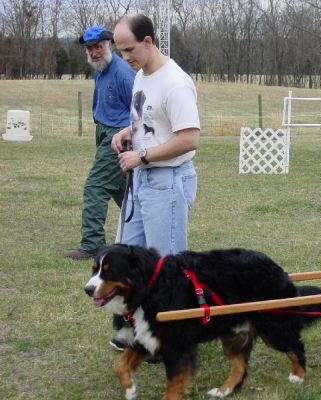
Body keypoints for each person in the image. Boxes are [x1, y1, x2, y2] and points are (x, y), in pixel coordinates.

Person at [109, 14, 200, 352]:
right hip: (141, 182)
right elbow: (147, 124)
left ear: (148, 41)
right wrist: (127, 133)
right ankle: (137, 330)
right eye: (120, 51)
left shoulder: (175, 82)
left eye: (129, 49)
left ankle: (172, 340)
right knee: (125, 259)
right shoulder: (140, 77)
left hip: (167, 183)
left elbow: (189, 139)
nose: (125, 57)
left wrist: (143, 157)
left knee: (168, 268)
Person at [65, 26, 135, 260]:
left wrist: (126, 137)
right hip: (104, 132)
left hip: (119, 136)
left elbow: (138, 110)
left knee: (95, 186)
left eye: (98, 47)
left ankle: (92, 243)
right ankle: (143, 231)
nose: (94, 52)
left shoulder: (123, 72)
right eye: (90, 48)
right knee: (122, 191)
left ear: (109, 45)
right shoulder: (100, 70)